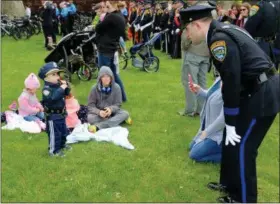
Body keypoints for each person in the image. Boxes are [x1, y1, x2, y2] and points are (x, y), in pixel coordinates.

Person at [180, 4, 279, 203]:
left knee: (244, 148)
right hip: (253, 90)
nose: (187, 35)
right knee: (229, 140)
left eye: (188, 30)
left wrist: (231, 120)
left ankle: (243, 199)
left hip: (261, 94)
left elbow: (232, 80)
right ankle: (228, 184)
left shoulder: (219, 40)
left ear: (198, 25)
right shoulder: (223, 30)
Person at [95, 1, 127, 102]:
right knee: (113, 75)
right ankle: (122, 96)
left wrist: (105, 14)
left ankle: (104, 98)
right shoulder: (119, 15)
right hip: (112, 48)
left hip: (105, 48)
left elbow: (98, 28)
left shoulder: (111, 16)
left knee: (104, 75)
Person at [38, 62, 72, 157]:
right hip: (53, 116)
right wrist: (61, 88)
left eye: (57, 74)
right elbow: (53, 98)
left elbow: (66, 93)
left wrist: (66, 86)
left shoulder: (57, 86)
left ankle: (62, 144)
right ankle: (54, 150)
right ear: (46, 78)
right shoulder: (46, 89)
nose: (57, 76)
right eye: (53, 74)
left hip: (61, 114)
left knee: (63, 131)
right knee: (55, 134)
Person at [188, 77, 224, 163]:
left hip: (219, 134)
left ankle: (231, 156)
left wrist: (206, 132)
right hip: (208, 129)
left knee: (194, 154)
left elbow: (223, 120)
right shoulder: (219, 79)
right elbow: (211, 94)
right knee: (191, 146)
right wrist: (199, 90)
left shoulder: (231, 85)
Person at [87, 66, 132, 133]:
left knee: (125, 113)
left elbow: (118, 104)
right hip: (99, 114)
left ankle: (98, 127)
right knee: (90, 118)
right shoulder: (94, 89)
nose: (106, 79)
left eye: (108, 76)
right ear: (100, 78)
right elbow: (90, 106)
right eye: (104, 76)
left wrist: (111, 109)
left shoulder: (117, 87)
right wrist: (99, 112)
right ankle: (118, 120)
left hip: (112, 112)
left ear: (111, 78)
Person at [244, 0, 280, 67]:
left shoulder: (259, 6)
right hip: (270, 45)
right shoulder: (277, 5)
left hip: (257, 45)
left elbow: (249, 27)